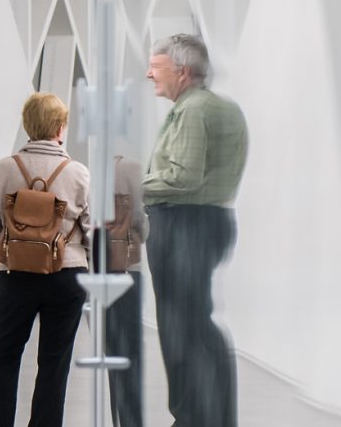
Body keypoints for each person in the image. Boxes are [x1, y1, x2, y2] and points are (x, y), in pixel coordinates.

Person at [142, 34, 248, 427]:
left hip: (185, 225)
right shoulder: (222, 107)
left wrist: (130, 185)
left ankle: (191, 419)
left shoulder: (193, 110)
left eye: (156, 66)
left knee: (181, 329)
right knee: (196, 324)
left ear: (182, 71)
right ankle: (210, 418)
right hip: (208, 222)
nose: (149, 74)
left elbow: (183, 178)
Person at [0, 92, 90, 427]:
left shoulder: (4, 169)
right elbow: (94, 233)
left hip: (15, 275)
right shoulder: (78, 173)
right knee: (54, 363)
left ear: (28, 125)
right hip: (66, 275)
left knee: (4, 357)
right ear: (60, 128)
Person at [102, 156, 148, 427]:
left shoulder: (85, 168)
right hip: (129, 268)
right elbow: (143, 223)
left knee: (110, 354)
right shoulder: (133, 168)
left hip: (96, 271)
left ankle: (117, 419)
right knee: (130, 354)